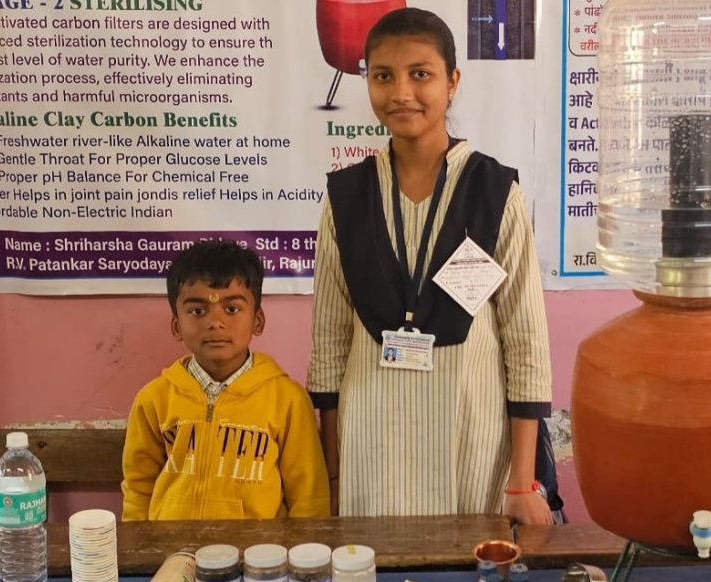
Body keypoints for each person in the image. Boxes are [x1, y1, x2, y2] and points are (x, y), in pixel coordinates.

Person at [308, 8, 553, 525]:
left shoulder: (494, 194)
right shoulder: (346, 198)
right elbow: (329, 342)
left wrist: (522, 482)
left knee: (471, 570)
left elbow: (525, 341)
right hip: (371, 448)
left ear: (452, 82)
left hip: (472, 443)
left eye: (420, 74)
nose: (401, 92)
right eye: (383, 76)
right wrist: (332, 476)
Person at [121, 239, 330, 521]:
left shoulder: (287, 400)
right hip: (171, 545)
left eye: (231, 309)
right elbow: (138, 488)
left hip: (259, 547)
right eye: (198, 311)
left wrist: (302, 547)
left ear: (257, 321)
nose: (215, 322)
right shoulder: (154, 399)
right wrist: (139, 544)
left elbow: (309, 497)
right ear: (176, 326)